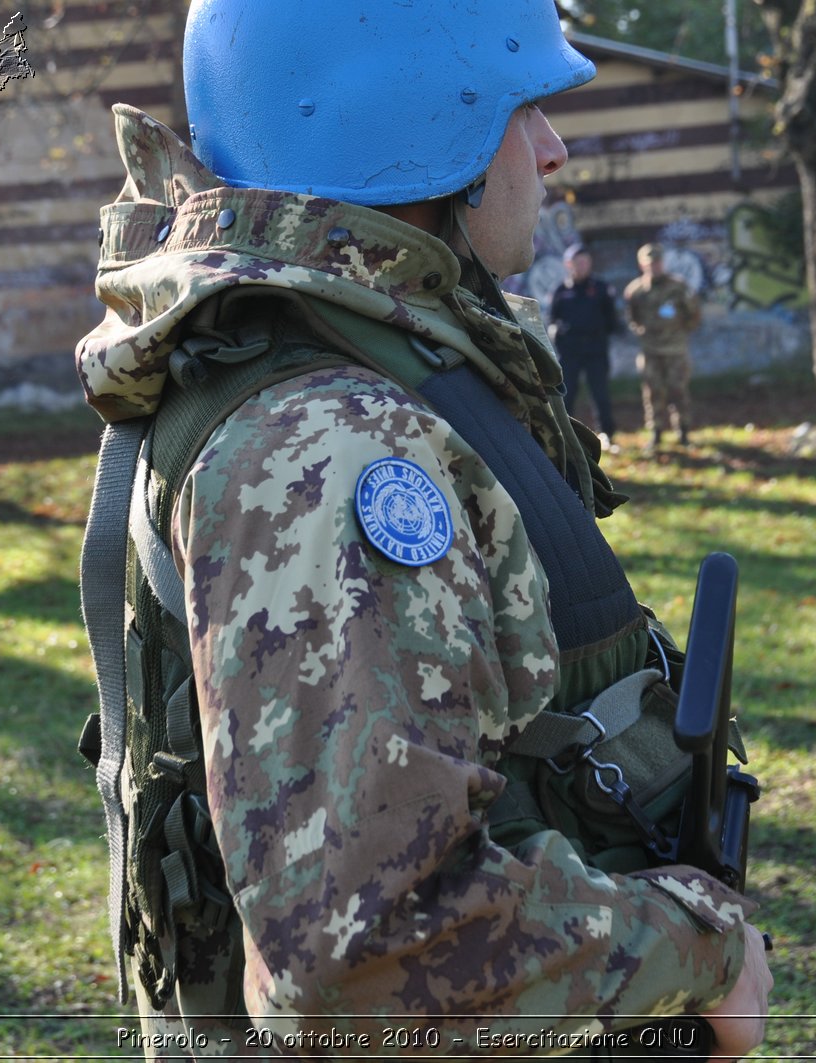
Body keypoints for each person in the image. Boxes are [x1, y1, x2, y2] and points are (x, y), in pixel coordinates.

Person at [74, 0, 772, 1057]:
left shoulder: (361, 359)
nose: (552, 146)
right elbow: (360, 955)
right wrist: (696, 945)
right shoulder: (330, 442)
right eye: (519, 106)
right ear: (407, 116)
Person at [624, 244, 702, 450]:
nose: (654, 267)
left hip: (675, 350)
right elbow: (633, 317)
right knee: (653, 392)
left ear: (663, 263)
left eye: (657, 263)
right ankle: (656, 433)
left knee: (678, 391)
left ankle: (683, 432)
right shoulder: (636, 290)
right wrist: (643, 332)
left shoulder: (678, 287)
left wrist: (677, 333)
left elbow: (693, 315)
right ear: (642, 265)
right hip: (650, 350)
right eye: (650, 264)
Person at [549, 244, 623, 451]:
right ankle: (565, 438)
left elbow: (612, 321)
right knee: (567, 395)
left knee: (600, 395)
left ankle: (607, 434)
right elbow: (552, 319)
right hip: (570, 352)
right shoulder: (561, 291)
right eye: (577, 262)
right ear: (568, 264)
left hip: (595, 351)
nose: (582, 266)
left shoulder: (601, 289)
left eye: (585, 262)